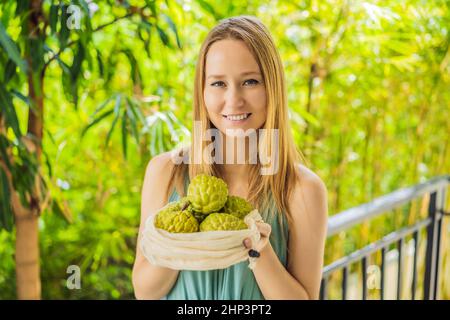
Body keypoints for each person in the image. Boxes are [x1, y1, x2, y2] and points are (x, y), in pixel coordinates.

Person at [132, 15, 328, 300]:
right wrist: (179, 241)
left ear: (272, 88)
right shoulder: (165, 172)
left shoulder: (303, 190)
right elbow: (145, 292)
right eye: (218, 83)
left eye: (250, 81)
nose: (234, 100)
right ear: (202, 91)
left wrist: (258, 249)